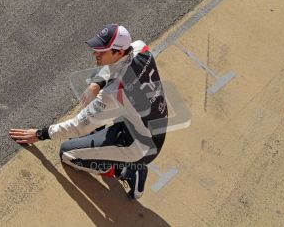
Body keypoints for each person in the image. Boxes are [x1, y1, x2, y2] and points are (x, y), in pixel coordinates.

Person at [9, 24, 168, 199]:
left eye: (102, 51)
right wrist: (97, 83)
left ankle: (126, 169)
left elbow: (78, 126)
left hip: (140, 146)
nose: (95, 54)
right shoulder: (140, 48)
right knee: (94, 111)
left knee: (67, 154)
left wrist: (40, 134)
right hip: (147, 127)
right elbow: (116, 68)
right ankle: (115, 153)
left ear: (119, 52)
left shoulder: (115, 91)